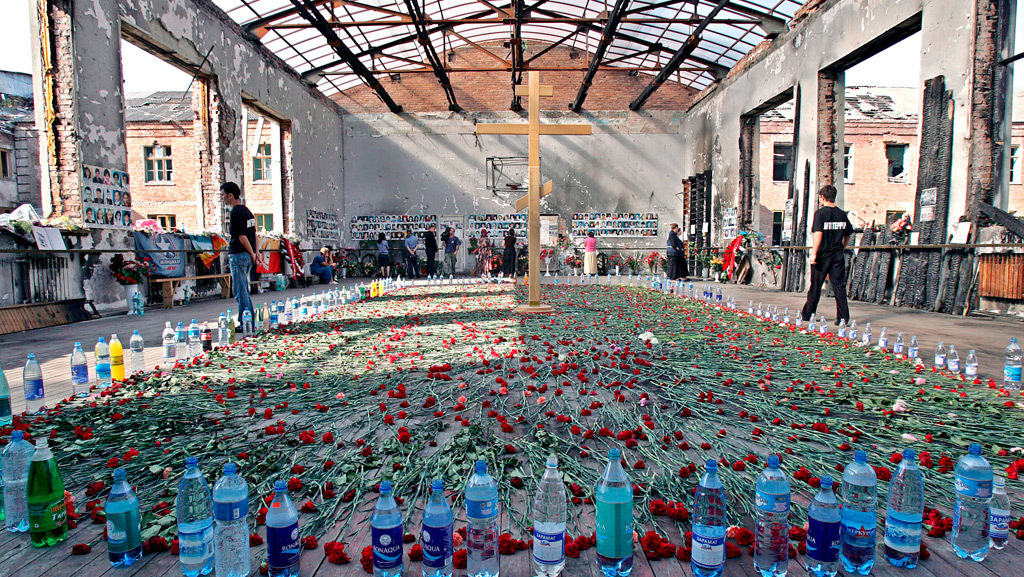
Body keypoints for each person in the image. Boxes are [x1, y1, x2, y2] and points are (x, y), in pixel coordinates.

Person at [801, 184, 854, 324]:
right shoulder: (842, 214)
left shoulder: (820, 214)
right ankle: (843, 318)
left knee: (816, 285)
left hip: (822, 255)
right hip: (837, 254)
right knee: (839, 286)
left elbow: (818, 233)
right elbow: (848, 233)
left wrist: (814, 253)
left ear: (823, 197)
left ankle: (808, 314)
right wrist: (842, 247)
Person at [223, 182, 262, 325]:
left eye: (223, 195)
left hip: (238, 254)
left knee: (240, 291)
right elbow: (254, 235)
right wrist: (256, 252)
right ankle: (249, 318)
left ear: (230, 195)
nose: (222, 198)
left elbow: (242, 237)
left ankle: (246, 321)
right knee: (244, 289)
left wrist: (253, 254)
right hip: (247, 256)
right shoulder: (247, 212)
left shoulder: (235, 212)